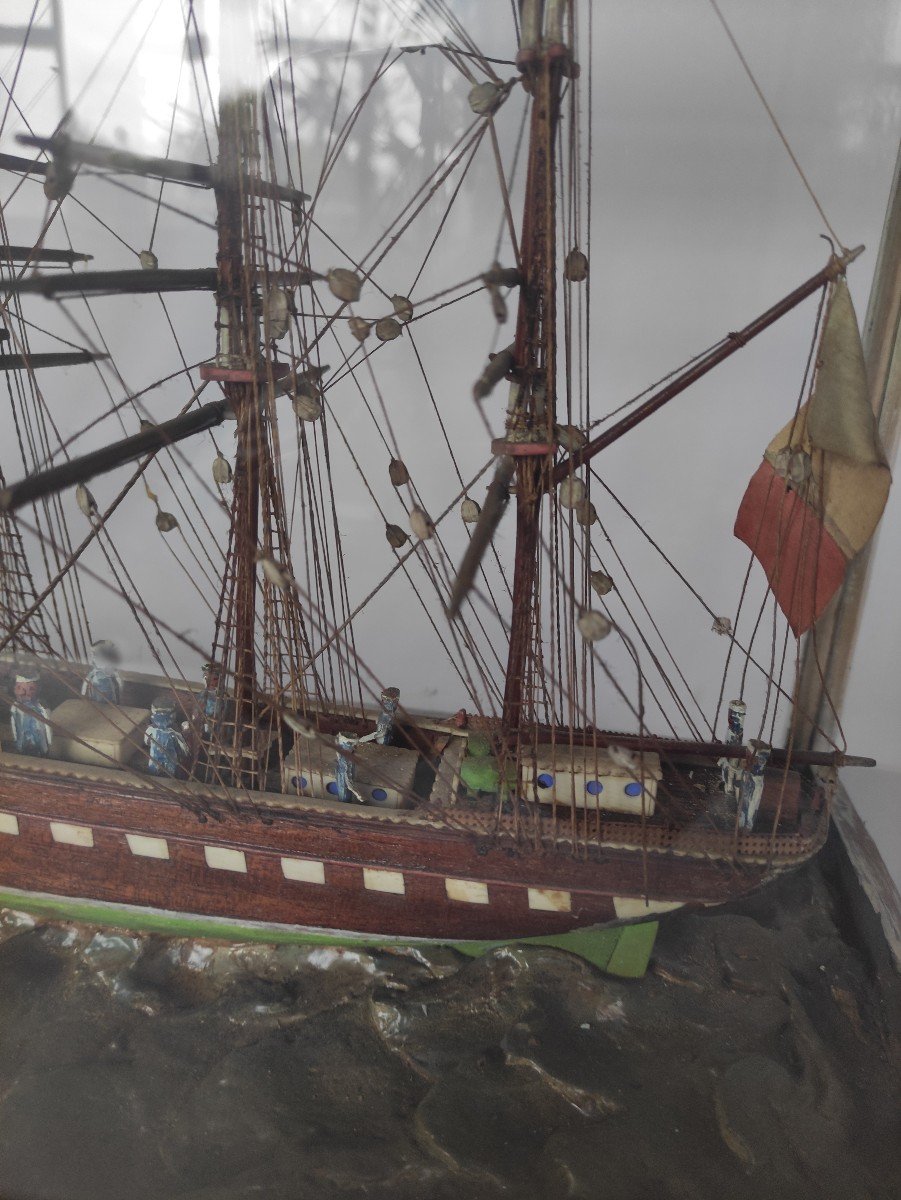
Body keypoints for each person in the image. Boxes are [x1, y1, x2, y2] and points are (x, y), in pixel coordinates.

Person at [144, 695, 189, 777]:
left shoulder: (150, 730)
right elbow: (184, 751)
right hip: (170, 764)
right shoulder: (175, 733)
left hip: (154, 762)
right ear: (173, 716)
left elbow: (146, 741)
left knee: (154, 776)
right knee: (170, 777)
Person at [10, 670, 52, 757]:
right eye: (19, 688)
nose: (24, 693)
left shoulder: (42, 708)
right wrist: (15, 739)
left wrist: (50, 744)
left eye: (31, 689)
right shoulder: (15, 708)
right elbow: (14, 724)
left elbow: (48, 728)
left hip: (39, 742)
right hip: (22, 741)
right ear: (14, 689)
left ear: (38, 690)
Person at [82, 640, 122, 704]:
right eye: (92, 654)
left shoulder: (110, 670)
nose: (93, 657)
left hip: (108, 693)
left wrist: (119, 687)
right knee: (97, 702)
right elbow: (87, 680)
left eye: (95, 654)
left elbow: (117, 680)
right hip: (96, 691)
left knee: (109, 703)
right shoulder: (94, 672)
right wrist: (83, 691)